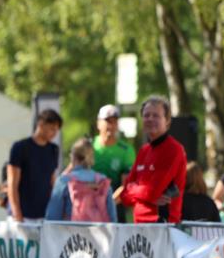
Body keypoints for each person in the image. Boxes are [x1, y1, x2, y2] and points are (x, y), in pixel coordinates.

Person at [115, 96, 187, 224]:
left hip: (162, 226)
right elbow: (124, 195)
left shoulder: (173, 149)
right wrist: (144, 195)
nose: (150, 119)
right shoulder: (144, 151)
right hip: (139, 226)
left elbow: (153, 191)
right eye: (146, 115)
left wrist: (133, 189)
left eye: (156, 116)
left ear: (167, 120)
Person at [3, 109, 62, 221]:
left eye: (57, 130)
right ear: (41, 124)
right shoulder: (20, 147)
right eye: (52, 128)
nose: (54, 133)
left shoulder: (54, 149)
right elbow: (12, 183)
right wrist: (17, 213)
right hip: (22, 215)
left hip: (44, 215)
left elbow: (52, 181)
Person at [45, 138, 116, 222]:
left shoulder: (63, 180)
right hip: (98, 229)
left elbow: (52, 217)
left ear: (73, 157)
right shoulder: (102, 181)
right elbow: (112, 218)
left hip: (70, 229)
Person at [92, 104, 136, 222]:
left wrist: (108, 203)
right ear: (98, 123)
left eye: (114, 122)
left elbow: (126, 185)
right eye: (107, 121)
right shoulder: (88, 146)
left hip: (115, 208)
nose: (111, 125)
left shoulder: (126, 150)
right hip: (89, 208)